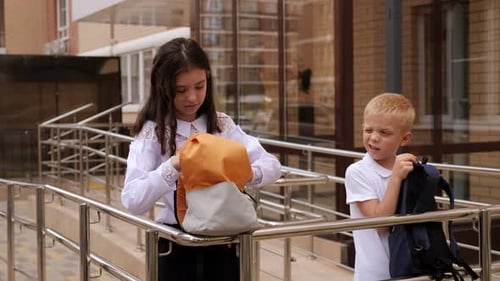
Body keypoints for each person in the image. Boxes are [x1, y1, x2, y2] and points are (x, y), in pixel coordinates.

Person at [121, 37, 282, 281]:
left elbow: (272, 165)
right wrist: (173, 166)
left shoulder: (221, 124)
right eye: (181, 90)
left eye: (200, 86)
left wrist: (242, 172)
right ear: (162, 87)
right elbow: (132, 200)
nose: (193, 98)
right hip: (175, 243)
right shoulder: (152, 132)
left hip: (225, 241)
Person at [344, 92, 417, 281]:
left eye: (384, 133)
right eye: (368, 130)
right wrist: (395, 178)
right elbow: (381, 224)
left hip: (411, 268)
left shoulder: (408, 169)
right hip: (375, 274)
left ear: (405, 138)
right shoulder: (357, 172)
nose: (374, 138)